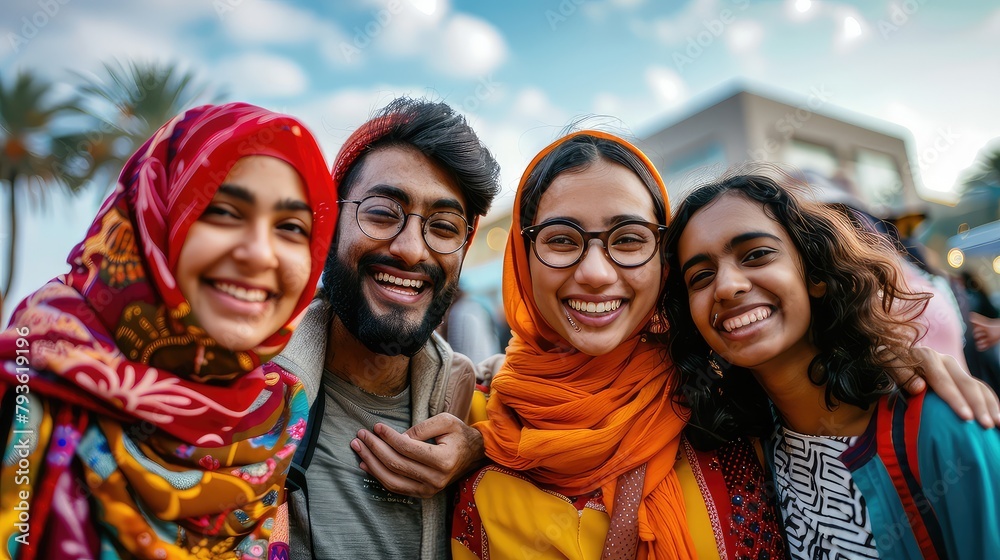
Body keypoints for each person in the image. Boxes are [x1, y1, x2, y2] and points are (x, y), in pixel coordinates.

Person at [447, 132, 1000, 560]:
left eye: (630, 239)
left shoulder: (716, 417)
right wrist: (487, 438)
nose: (595, 271)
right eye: (562, 240)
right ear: (523, 259)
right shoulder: (473, 416)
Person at [0, 102, 337, 559]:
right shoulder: (26, 382)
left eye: (292, 227)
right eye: (222, 211)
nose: (260, 254)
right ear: (155, 217)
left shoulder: (275, 422)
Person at [662, 171, 1000, 559]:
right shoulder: (751, 450)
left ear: (815, 275)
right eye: (701, 276)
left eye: (756, 254)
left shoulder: (942, 426)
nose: (726, 286)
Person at [276, 97, 501, 559]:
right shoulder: (245, 389)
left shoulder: (477, 408)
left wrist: (485, 446)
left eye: (443, 226)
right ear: (332, 220)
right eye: (381, 213)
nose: (411, 249)